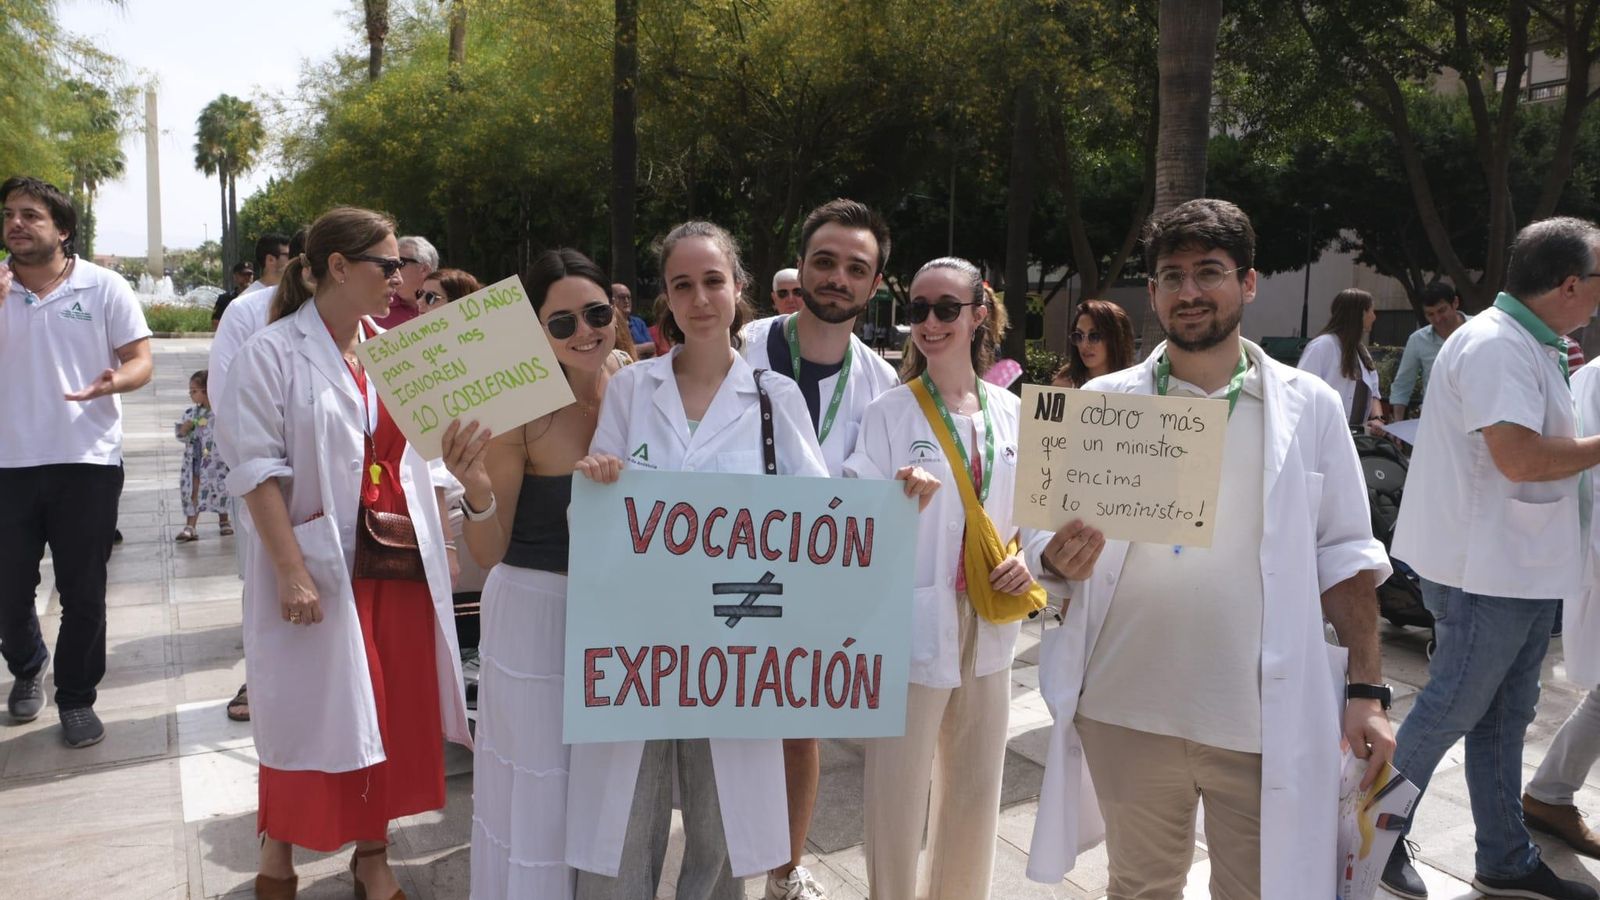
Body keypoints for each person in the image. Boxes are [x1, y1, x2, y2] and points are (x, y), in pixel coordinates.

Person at [1024, 198, 1395, 900]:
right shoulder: (1104, 403)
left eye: (1209, 272)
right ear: (1154, 291)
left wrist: (1368, 694)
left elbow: (1346, 557)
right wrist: (1052, 559)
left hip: (1258, 719)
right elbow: (1045, 534)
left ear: (1247, 283)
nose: (1189, 292)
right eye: (1171, 275)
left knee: (1260, 891)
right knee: (1139, 887)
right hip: (1126, 705)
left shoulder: (1308, 406)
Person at [567, 221, 834, 900]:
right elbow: (591, 522)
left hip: (735, 643)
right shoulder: (632, 390)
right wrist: (595, 478)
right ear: (666, 296)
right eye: (683, 284)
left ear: (738, 287)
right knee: (626, 822)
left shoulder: (775, 399)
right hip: (641, 641)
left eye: (713, 280)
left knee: (719, 837)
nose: (700, 298)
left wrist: (900, 499)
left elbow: (818, 521)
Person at [220, 206, 470, 900]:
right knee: (307, 713)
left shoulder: (392, 353)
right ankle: (278, 857)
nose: (400, 278)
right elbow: (255, 471)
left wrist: (443, 536)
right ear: (337, 267)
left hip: (395, 566)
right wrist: (292, 570)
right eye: (386, 265)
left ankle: (372, 854)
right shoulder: (270, 354)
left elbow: (422, 460)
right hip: (322, 571)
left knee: (386, 713)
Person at [1384, 216, 1600, 900]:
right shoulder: (1496, 346)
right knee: (1451, 707)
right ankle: (1369, 835)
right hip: (1486, 572)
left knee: (1505, 715)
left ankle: (1506, 857)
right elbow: (1520, 458)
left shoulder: (1530, 344)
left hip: (1521, 567)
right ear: (1570, 284)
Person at [845, 257, 1037, 900]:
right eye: (919, 309)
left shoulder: (1013, 413)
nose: (929, 323)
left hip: (989, 617)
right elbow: (851, 518)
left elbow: (1039, 512)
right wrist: (895, 501)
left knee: (977, 788)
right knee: (896, 790)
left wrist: (1028, 557)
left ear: (979, 314)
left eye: (946, 309)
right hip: (913, 619)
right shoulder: (890, 412)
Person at [741, 199, 901, 900]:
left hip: (815, 580)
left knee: (796, 728)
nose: (838, 277)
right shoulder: (743, 346)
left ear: (874, 285)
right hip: (727, 564)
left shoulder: (881, 384)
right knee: (716, 722)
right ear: (801, 265)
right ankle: (718, 863)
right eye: (826, 261)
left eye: (855, 268)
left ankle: (785, 868)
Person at [0, 175, 153, 748]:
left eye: (31, 215)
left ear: (62, 230)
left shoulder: (103, 286)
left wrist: (118, 380)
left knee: (82, 590)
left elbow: (140, 359)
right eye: (10, 214)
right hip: (7, 464)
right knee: (8, 591)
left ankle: (77, 697)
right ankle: (26, 662)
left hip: (85, 461)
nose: (16, 223)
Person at [208, 227, 298, 724]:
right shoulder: (248, 312)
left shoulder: (363, 326)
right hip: (269, 482)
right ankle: (260, 677)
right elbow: (228, 401)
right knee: (267, 584)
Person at [208, 231, 293, 421]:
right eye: (290, 255)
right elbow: (222, 374)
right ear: (271, 260)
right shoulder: (244, 306)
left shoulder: (301, 302)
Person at [1297, 288, 1385, 433]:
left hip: (1355, 439)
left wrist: (1377, 418)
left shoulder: (1362, 352)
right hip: (1323, 436)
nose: (1374, 317)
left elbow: (1374, 392)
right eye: (1371, 311)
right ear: (1360, 314)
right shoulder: (1322, 346)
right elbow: (1301, 391)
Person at [1390, 282, 1471, 421]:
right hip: (1437, 420)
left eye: (1442, 310)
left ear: (1455, 303)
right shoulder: (1417, 340)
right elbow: (1402, 385)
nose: (1438, 319)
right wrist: (1397, 422)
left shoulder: (1480, 330)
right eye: (1430, 314)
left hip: (1477, 418)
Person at [173, 370, 231, 542]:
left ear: (207, 390)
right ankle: (191, 525)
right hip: (196, 461)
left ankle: (224, 520)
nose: (191, 395)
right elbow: (181, 435)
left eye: (194, 391)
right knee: (195, 491)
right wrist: (185, 429)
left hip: (217, 462)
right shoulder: (191, 414)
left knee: (221, 489)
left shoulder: (220, 413)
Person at [1049, 299, 1136, 388]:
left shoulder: (1134, 386)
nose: (1084, 345)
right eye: (1078, 336)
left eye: (1094, 336)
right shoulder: (1064, 386)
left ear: (1116, 339)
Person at [373, 235, 439, 329]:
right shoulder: (376, 309)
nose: (393, 271)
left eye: (400, 264)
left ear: (424, 269)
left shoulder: (451, 303)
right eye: (391, 265)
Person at [612, 282, 655, 358]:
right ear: (612, 300)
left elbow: (652, 347)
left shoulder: (639, 323)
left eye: (629, 297)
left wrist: (633, 349)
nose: (626, 301)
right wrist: (643, 349)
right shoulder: (610, 324)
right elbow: (616, 354)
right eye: (622, 297)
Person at [211, 261, 255, 327]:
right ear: (235, 276)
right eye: (243, 274)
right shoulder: (224, 299)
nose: (247, 277)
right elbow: (215, 322)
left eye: (249, 274)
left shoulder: (259, 297)